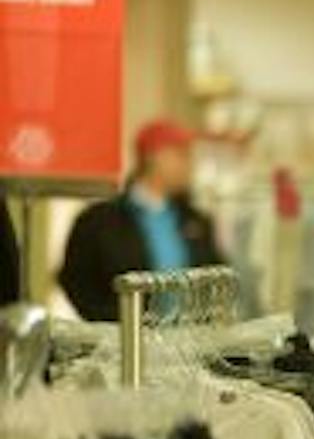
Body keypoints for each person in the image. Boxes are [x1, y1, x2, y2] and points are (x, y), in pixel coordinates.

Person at [59, 119, 224, 322]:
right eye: (182, 155)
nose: (190, 165)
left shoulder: (196, 221)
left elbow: (217, 278)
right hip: (125, 343)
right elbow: (77, 281)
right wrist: (110, 325)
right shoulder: (99, 222)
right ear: (154, 157)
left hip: (188, 342)